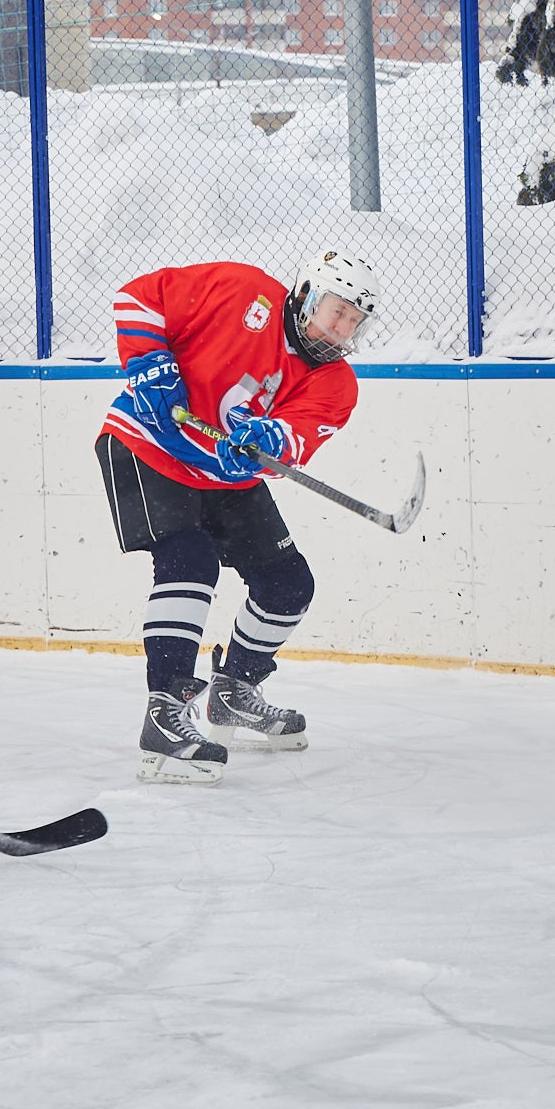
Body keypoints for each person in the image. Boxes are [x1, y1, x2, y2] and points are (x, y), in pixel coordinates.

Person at [97, 249, 378, 783]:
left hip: (224, 476)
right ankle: (166, 712)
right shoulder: (240, 289)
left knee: (288, 584)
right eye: (335, 310)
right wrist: (150, 361)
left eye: (352, 321)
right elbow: (136, 299)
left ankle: (234, 690)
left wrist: (266, 440)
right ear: (305, 296)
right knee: (190, 559)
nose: (341, 328)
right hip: (149, 445)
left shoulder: (337, 385)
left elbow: (294, 439)